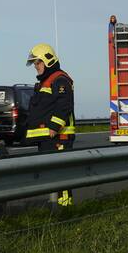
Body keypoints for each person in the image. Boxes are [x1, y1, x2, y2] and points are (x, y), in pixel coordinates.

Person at [24, 43, 76, 207]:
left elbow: (64, 105)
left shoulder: (60, 80)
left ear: (48, 60)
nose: (36, 67)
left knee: (61, 174)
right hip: (47, 138)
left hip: (59, 137)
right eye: (34, 64)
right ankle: (56, 204)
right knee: (52, 175)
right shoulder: (45, 82)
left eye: (38, 63)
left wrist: (54, 128)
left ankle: (65, 207)